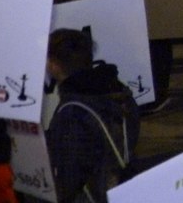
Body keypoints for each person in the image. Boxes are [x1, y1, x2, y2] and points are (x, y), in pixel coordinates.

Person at [46, 28, 140, 203]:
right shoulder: (120, 94)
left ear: (54, 65)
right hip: (124, 190)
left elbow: (69, 177)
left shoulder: (71, 112)